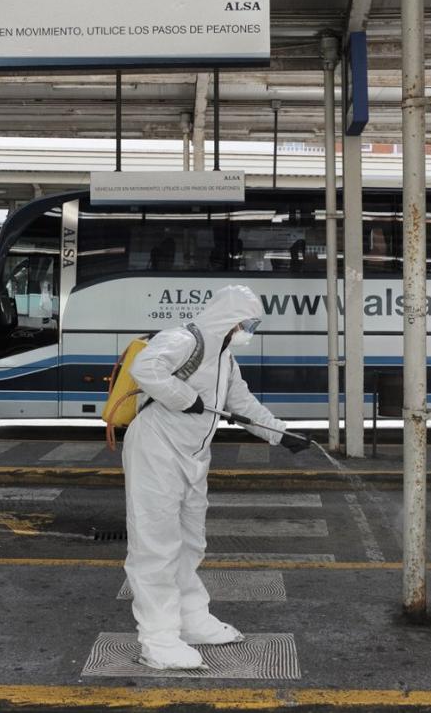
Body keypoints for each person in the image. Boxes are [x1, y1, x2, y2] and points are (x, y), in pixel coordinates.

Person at [122, 284, 308, 670]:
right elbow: (145, 369)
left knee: (190, 543)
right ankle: (157, 640)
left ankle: (191, 619)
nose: (248, 331)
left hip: (192, 455)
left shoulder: (226, 359)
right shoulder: (184, 339)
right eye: (247, 323)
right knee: (155, 547)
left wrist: (282, 434)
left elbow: (243, 404)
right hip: (156, 449)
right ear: (229, 318)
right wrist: (183, 397)